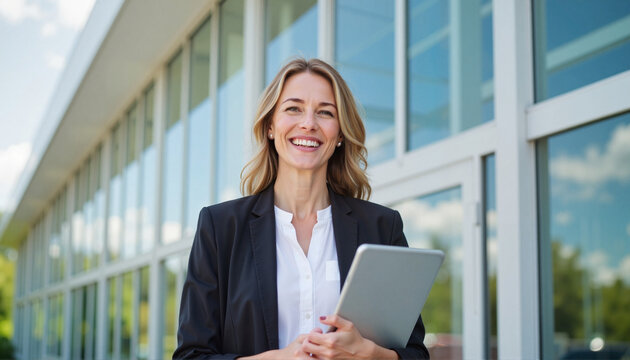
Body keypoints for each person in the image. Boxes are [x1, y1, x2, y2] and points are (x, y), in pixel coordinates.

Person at [174, 58, 429, 359]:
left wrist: (369, 354)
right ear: (270, 126)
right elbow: (191, 355)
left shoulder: (382, 227)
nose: (309, 123)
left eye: (325, 112)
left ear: (339, 135)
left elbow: (416, 353)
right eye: (293, 108)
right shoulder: (220, 227)